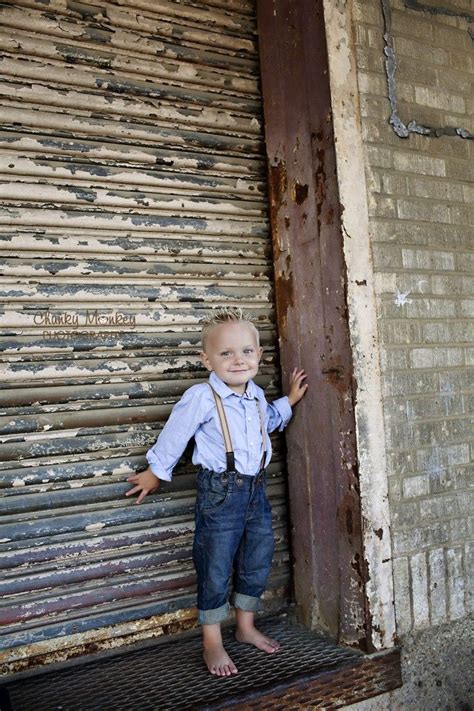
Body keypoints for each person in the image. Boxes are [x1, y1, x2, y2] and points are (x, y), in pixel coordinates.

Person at [126, 307, 308, 677]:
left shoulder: (256, 395)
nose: (237, 360)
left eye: (246, 351)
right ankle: (212, 641)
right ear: (206, 359)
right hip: (220, 494)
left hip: (255, 491)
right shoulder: (202, 396)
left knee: (257, 558)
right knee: (215, 565)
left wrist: (288, 401)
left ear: (259, 356)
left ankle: (244, 627)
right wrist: (155, 473)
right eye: (226, 353)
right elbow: (175, 435)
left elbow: (267, 422)